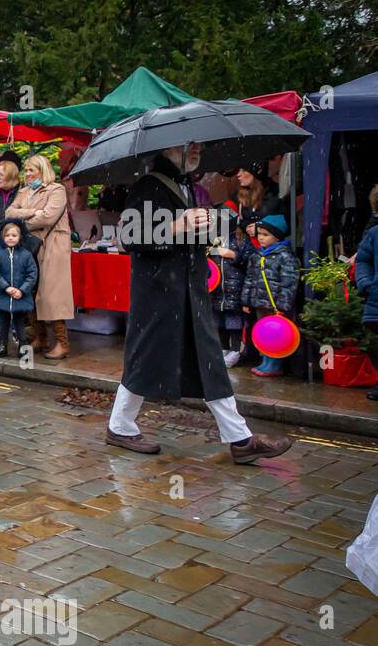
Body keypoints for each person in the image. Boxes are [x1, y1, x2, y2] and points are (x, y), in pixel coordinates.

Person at [106, 143, 291, 464]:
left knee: (209, 362)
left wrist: (213, 223)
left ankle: (240, 439)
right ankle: (120, 427)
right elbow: (131, 237)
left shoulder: (186, 185)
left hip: (190, 292)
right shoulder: (147, 185)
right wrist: (177, 225)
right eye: (189, 145)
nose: (197, 149)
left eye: (198, 145)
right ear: (169, 147)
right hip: (159, 294)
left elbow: (189, 236)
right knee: (144, 359)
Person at [6, 154, 72, 359]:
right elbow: (9, 213)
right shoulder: (24, 191)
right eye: (25, 170)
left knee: (52, 294)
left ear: (42, 171)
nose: (27, 174)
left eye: (31, 170)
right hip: (30, 246)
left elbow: (48, 217)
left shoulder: (56, 190)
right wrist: (34, 212)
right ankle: (40, 337)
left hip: (53, 246)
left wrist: (23, 218)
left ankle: (62, 342)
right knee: (31, 290)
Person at [240, 214, 300, 378]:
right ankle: (266, 360)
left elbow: (289, 283)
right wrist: (246, 301)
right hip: (260, 303)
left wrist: (282, 305)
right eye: (259, 234)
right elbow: (250, 279)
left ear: (277, 236)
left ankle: (275, 364)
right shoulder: (256, 255)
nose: (261, 238)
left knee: (276, 335)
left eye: (266, 235)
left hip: (276, 306)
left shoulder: (285, 257)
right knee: (264, 334)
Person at [0, 218, 39, 357]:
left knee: (20, 324)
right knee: (2, 324)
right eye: (7, 235)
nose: (10, 238)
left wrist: (22, 290)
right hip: (2, 295)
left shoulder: (26, 255)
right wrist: (6, 288)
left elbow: (32, 274)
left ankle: (23, 347)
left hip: (20, 296)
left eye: (14, 235)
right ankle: (2, 346)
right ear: (2, 237)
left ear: (20, 237)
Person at [209, 203, 251, 368]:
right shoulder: (213, 240)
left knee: (233, 323)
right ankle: (223, 349)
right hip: (217, 291)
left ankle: (235, 351)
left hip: (234, 290)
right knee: (219, 323)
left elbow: (251, 261)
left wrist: (234, 255)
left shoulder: (240, 241)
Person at [355, 213, 378, 401]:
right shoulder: (375, 233)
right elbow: (363, 259)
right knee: (373, 344)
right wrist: (365, 282)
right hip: (376, 298)